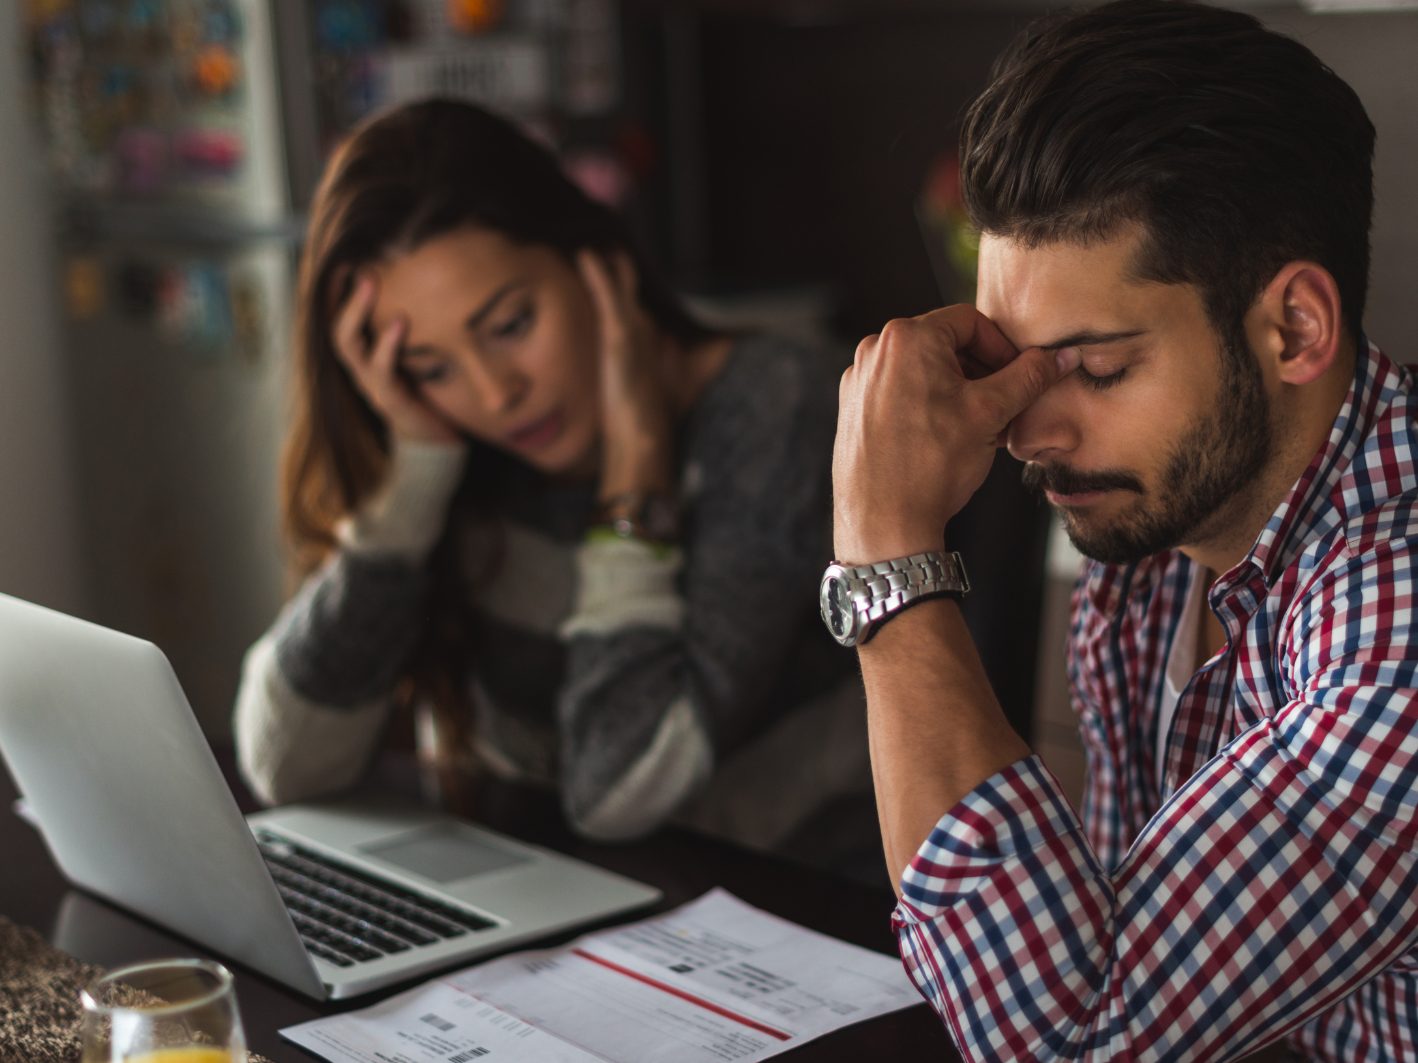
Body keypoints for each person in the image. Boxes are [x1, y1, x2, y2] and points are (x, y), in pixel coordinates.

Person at [827, 1, 1418, 1058]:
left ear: (1294, 328)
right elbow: (1097, 936)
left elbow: (1074, 1033)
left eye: (1096, 368)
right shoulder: (1151, 536)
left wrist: (887, 559)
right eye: (1010, 363)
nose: (1028, 433)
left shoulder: (1394, 623)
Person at [235, 98, 870, 858]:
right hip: (560, 906)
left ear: (594, 260)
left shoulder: (777, 409)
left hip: (788, 916)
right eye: (431, 367)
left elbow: (618, 790)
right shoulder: (463, 450)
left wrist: (636, 474)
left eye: (509, 325)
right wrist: (414, 480)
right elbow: (285, 764)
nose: (494, 394)